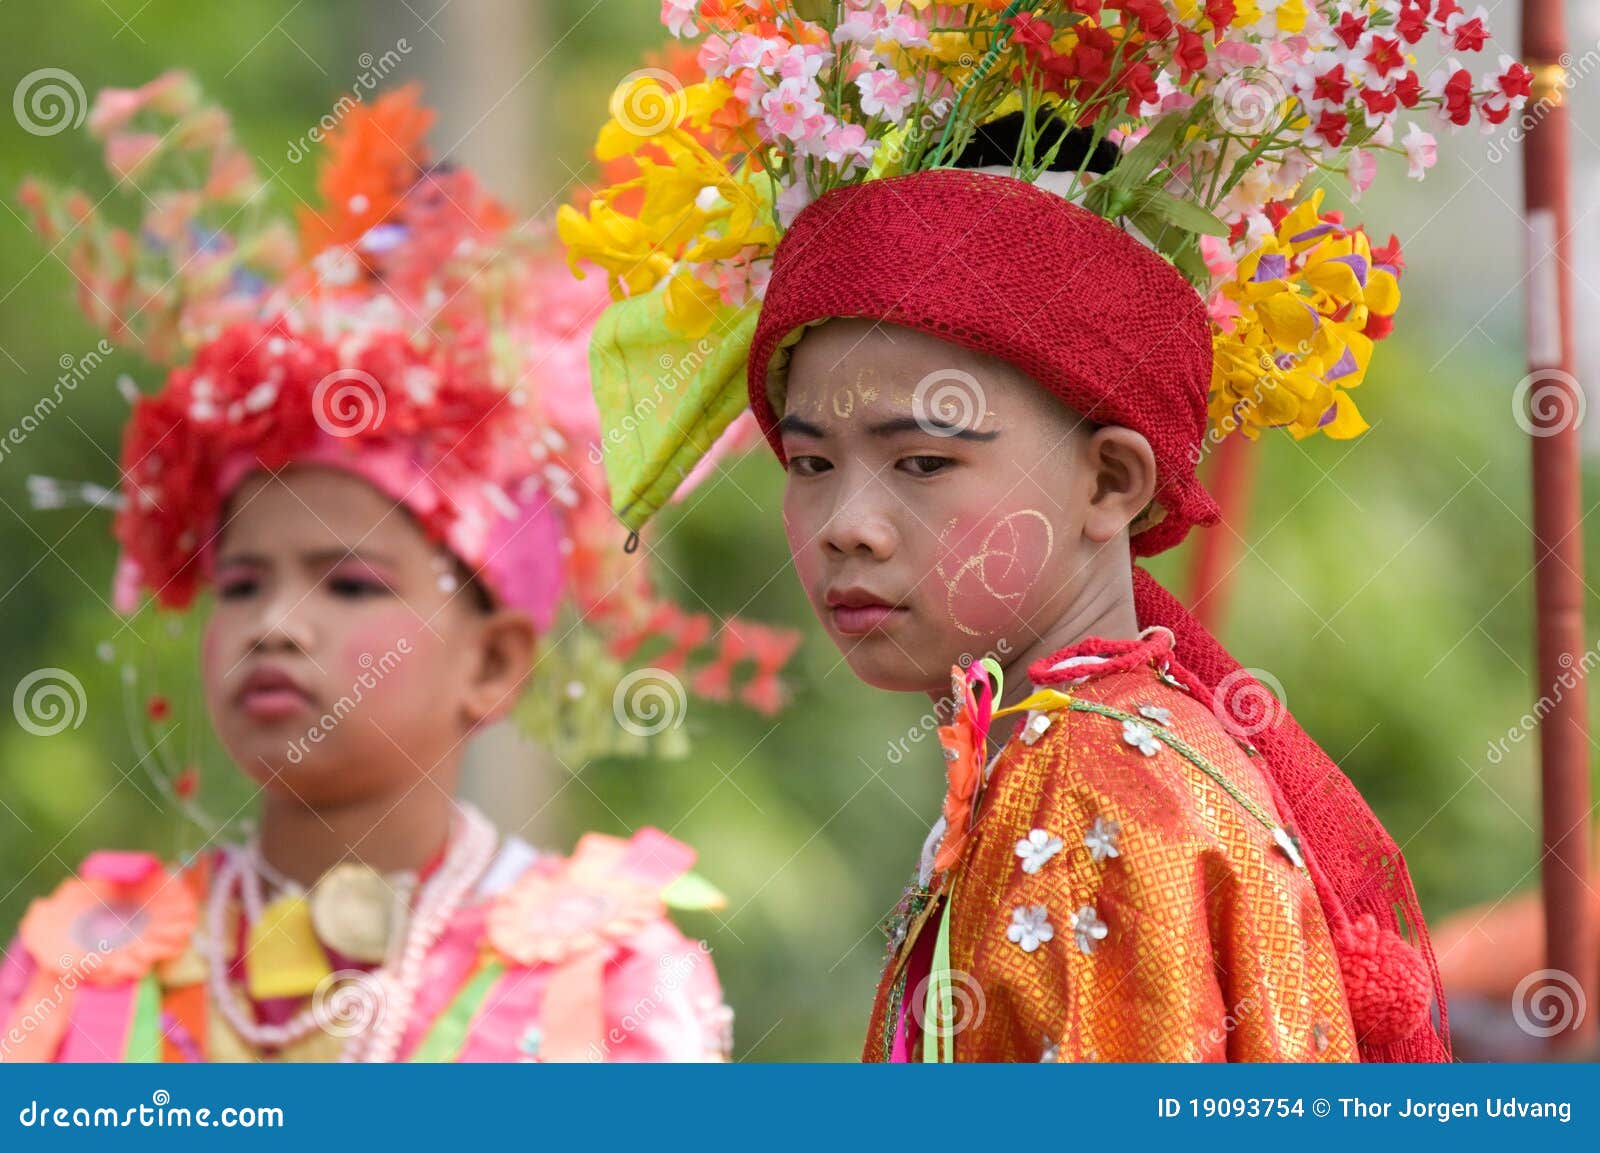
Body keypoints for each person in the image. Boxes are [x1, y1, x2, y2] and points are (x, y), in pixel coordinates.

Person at [561, 0, 1529, 1060]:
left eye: (923, 461)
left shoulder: (1084, 798)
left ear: (1110, 481)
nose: (847, 526)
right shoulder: (1069, 748)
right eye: (808, 463)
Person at [0, 76, 783, 1062]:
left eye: (351, 584)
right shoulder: (83, 975)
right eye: (241, 584)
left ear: (493, 662)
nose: (275, 624)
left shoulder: (602, 982)